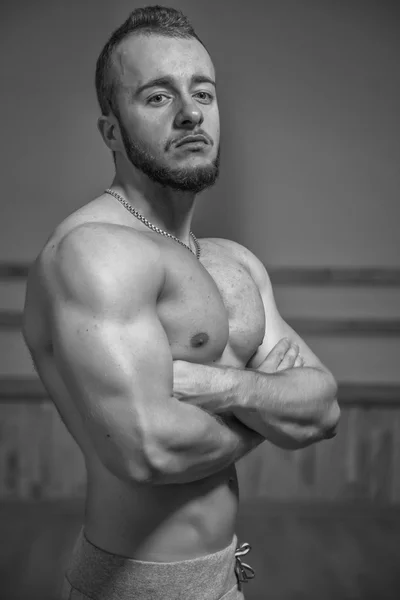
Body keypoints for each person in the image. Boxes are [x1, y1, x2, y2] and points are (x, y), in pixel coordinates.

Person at [22, 6, 340, 600]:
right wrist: (273, 411)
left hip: (225, 576)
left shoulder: (234, 263)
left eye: (203, 92)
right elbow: (151, 452)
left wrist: (226, 388)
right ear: (111, 130)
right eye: (158, 97)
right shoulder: (93, 253)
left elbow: (324, 409)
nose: (192, 112)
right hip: (130, 586)